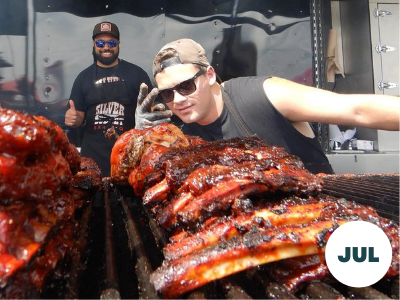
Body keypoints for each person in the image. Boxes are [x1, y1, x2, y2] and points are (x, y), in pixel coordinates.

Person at [134, 38, 400, 174]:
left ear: (211, 74)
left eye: (186, 86)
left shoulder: (261, 95)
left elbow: (355, 110)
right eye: (168, 94)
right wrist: (139, 139)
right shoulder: (185, 137)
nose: (178, 100)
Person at [65, 22, 154, 177]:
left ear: (118, 44)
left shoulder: (136, 74)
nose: (106, 47)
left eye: (111, 43)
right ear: (94, 45)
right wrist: (73, 119)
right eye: (100, 42)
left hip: (129, 160)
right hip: (92, 162)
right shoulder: (83, 78)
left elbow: (151, 115)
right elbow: (78, 118)